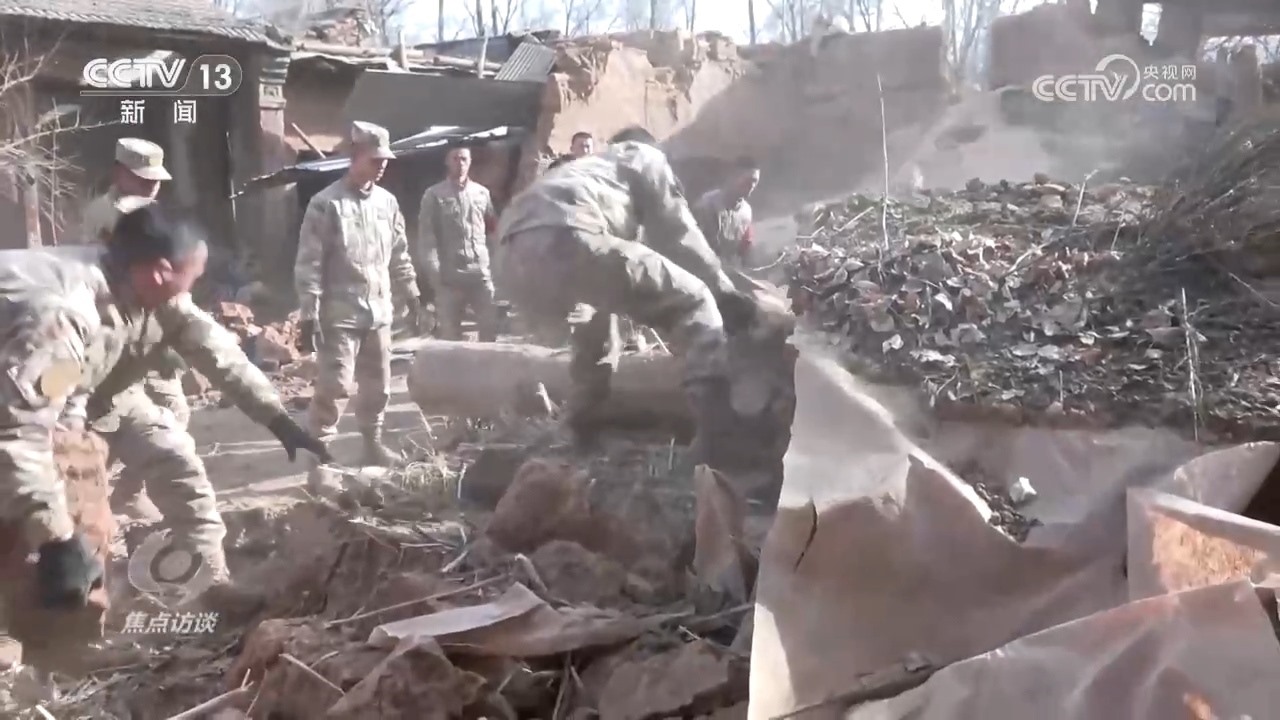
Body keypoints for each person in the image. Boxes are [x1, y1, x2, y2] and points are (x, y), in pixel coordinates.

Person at [0, 198, 328, 610]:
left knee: (174, 458)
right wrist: (56, 538)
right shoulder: (65, 312)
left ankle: (209, 582)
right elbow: (20, 432)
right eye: (194, 275)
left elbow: (216, 352)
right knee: (35, 511)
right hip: (19, 400)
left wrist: (277, 418)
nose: (193, 288)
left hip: (88, 392)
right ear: (161, 271)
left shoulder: (152, 293)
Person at [495, 126, 757, 463]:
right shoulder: (643, 155)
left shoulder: (587, 170)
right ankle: (718, 438)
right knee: (696, 300)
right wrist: (725, 293)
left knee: (598, 327)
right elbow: (677, 233)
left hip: (510, 257)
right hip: (568, 234)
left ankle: (580, 428)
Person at [76, 138, 245, 599]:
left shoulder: (152, 217)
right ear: (120, 174)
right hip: (102, 355)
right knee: (87, 457)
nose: (152, 188)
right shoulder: (107, 218)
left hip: (143, 342)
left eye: (155, 181)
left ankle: (207, 574)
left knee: (172, 428)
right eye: (143, 179)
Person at [295, 121, 422, 488]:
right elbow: (309, 262)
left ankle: (372, 444)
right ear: (356, 156)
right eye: (375, 159)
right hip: (340, 314)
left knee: (379, 387)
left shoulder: (387, 203)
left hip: (379, 312)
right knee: (334, 387)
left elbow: (399, 253)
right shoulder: (326, 204)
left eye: (385, 161)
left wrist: (412, 292)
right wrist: (308, 312)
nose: (382, 166)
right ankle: (320, 460)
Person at [417, 147, 499, 341]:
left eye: (464, 159)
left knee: (490, 327)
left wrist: (496, 263)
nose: (460, 163)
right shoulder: (434, 195)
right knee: (450, 333)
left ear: (470, 162)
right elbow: (427, 237)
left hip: (480, 273)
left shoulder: (481, 193)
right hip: (450, 275)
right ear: (447, 162)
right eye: (455, 159)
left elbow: (493, 230)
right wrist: (435, 272)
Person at [692, 156, 760, 269]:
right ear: (734, 176)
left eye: (755, 182)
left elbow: (746, 248)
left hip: (728, 271)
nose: (752, 186)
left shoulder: (746, 212)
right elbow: (695, 244)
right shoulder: (708, 204)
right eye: (748, 180)